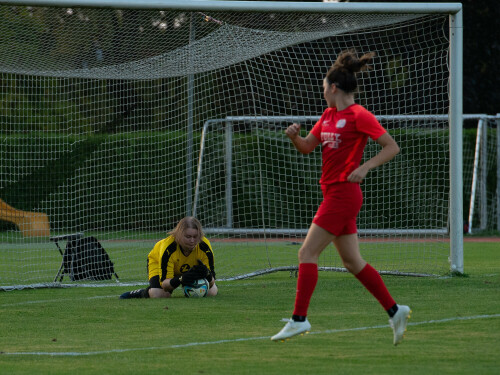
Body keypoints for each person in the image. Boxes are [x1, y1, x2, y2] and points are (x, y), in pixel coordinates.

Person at [271, 50, 411, 345]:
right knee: (352, 261)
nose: (323, 92)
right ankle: (395, 310)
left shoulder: (359, 115)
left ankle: (299, 319)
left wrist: (364, 167)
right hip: (333, 192)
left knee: (306, 254)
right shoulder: (328, 115)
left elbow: (391, 147)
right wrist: (295, 136)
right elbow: (309, 146)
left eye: (323, 88)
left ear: (333, 87)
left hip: (344, 194)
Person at [120, 216, 218, 299]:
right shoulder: (168, 248)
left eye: (195, 236)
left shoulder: (204, 246)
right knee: (161, 294)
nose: (192, 240)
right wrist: (181, 279)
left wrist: (207, 274)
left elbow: (212, 282)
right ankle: (142, 293)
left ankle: (188, 289)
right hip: (157, 261)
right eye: (188, 237)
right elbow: (165, 285)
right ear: (179, 235)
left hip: (187, 268)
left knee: (211, 292)